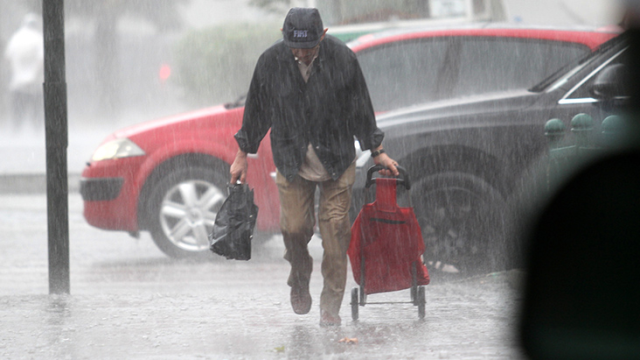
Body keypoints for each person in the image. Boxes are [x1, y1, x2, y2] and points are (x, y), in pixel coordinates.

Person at [230, 7, 399, 326]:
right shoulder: (271, 62)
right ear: (285, 38)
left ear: (322, 36)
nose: (302, 54)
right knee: (294, 229)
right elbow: (256, 111)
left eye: (308, 47)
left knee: (335, 231)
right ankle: (299, 279)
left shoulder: (343, 59)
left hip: (336, 158)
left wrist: (378, 151)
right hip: (292, 160)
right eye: (295, 47)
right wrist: (242, 154)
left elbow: (361, 109)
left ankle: (330, 307)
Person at [3, 13, 44, 133]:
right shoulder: (38, 38)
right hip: (34, 82)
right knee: (36, 110)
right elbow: (41, 59)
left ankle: (16, 131)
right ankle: (37, 132)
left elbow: (7, 58)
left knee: (18, 110)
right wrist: (35, 74)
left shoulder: (16, 38)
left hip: (17, 82)